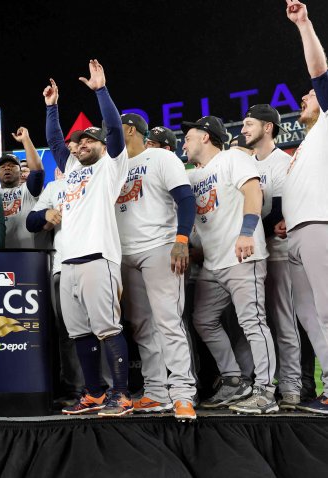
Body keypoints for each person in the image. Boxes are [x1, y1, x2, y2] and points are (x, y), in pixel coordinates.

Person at [42, 61, 133, 417]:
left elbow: (113, 128)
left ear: (100, 144)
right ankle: (93, 393)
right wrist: (52, 107)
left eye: (86, 140)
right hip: (69, 262)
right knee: (80, 334)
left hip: (99, 257)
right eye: (77, 141)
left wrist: (101, 91)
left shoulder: (111, 166)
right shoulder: (74, 168)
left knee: (108, 328)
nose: (79, 145)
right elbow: (53, 140)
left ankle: (121, 394)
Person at [181, 115, 277, 414]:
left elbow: (253, 192)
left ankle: (266, 391)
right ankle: (235, 380)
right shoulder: (195, 176)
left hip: (242, 256)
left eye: (189, 137)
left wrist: (247, 232)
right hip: (212, 263)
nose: (184, 142)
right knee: (203, 319)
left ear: (206, 137)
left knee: (253, 322)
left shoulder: (232, 158)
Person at [114, 113, 198, 420]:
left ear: (131, 129)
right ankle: (156, 392)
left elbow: (186, 199)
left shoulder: (161, 158)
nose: (111, 131)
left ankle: (183, 394)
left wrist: (181, 239)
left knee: (168, 322)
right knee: (141, 326)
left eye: (116, 127)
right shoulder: (115, 164)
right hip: (125, 253)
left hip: (160, 246)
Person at [280, 0, 328, 415]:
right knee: (310, 320)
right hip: (296, 234)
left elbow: (318, 72)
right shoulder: (304, 144)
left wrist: (304, 24)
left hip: (320, 227)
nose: (305, 96)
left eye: (310, 95)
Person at [241, 103, 302, 410]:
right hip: (254, 255)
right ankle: (263, 384)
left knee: (283, 321)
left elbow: (277, 211)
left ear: (268, 127)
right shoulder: (246, 161)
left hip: (276, 253)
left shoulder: (281, 161)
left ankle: (291, 386)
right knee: (257, 323)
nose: (243, 129)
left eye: (249, 124)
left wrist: (247, 236)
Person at [27, 167, 85, 407]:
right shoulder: (55, 187)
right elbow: (31, 222)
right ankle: (75, 390)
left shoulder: (102, 174)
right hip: (62, 264)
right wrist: (46, 214)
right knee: (67, 332)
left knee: (103, 328)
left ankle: (108, 387)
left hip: (98, 259)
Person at [0, 127, 44, 249]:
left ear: (21, 172)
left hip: (26, 256)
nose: (7, 168)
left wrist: (25, 140)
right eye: (3, 166)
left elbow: (37, 171)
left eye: (12, 166)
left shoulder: (28, 190)